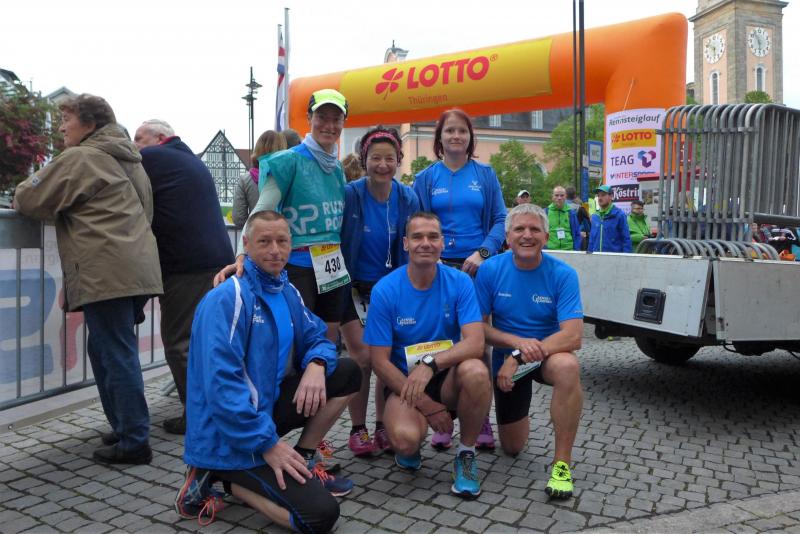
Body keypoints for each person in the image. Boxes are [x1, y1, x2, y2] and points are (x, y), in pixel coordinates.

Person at [177, 210, 361, 533]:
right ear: (246, 245)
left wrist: (317, 364)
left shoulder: (285, 290)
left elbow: (318, 337)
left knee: (347, 372)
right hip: (227, 435)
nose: (275, 250)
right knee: (319, 516)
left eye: (282, 241)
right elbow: (223, 386)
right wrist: (268, 445)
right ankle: (220, 476)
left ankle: (303, 457)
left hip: (261, 413)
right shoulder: (228, 298)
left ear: (291, 245)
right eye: (264, 242)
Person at [14, 94, 162, 464]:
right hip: (136, 265)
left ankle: (134, 441)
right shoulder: (131, 160)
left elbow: (28, 198)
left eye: (67, 119)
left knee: (115, 351)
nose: (61, 127)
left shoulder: (82, 157)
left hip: (107, 267)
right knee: (108, 348)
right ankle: (126, 425)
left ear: (91, 124)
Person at [363, 212, 492, 498]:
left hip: (448, 377)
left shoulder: (460, 282)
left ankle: (466, 454)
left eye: (433, 237)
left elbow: (475, 343)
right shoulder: (385, 290)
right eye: (418, 237)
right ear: (405, 243)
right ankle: (412, 443)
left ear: (442, 243)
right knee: (405, 442)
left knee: (476, 370)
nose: (426, 243)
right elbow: (379, 362)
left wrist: (431, 364)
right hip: (406, 383)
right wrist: (427, 405)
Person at [214, 89, 350, 345]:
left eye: (336, 119)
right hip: (298, 265)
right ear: (309, 118)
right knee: (298, 340)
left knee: (329, 337)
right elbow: (261, 210)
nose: (329, 125)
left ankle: (325, 372)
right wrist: (242, 254)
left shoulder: (337, 167)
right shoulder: (288, 161)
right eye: (322, 117)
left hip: (332, 263)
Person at [475, 203, 584, 499]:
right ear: (507, 237)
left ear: (546, 237)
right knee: (512, 447)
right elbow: (479, 329)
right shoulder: (490, 270)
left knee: (568, 367)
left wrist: (521, 355)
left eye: (535, 229)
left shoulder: (563, 274)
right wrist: (516, 345)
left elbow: (573, 336)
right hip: (507, 359)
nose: (527, 235)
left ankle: (562, 465)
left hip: (547, 356)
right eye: (519, 229)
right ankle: (520, 414)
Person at [134, 119, 235, 435]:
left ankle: (199, 417)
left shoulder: (154, 157)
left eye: (139, 138)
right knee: (205, 341)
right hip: (214, 260)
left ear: (160, 137)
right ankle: (213, 409)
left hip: (186, 265)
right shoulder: (188, 159)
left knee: (180, 343)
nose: (135, 146)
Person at [413, 108, 506, 450]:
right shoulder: (426, 178)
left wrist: (483, 252)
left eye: (462, 131)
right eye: (449, 131)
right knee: (441, 341)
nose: (456, 136)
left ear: (470, 138)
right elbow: (418, 222)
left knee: (477, 342)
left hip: (477, 269)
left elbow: (500, 219)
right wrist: (430, 257)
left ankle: (480, 418)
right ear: (439, 137)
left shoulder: (485, 174)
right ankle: (444, 417)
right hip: (438, 267)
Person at [339, 127, 420, 456]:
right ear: (364, 160)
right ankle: (357, 428)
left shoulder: (407, 198)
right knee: (362, 359)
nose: (383, 165)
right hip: (353, 287)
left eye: (389, 158)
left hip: (391, 291)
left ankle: (383, 425)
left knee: (386, 360)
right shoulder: (351, 194)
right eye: (376, 158)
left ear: (398, 160)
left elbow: (415, 240)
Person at [232, 130, 287, 228]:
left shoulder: (245, 180)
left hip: (257, 234)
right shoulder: (289, 177)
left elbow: (238, 218)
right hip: (285, 234)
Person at [587, 185, 632, 253]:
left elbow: (626, 239)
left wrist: (626, 257)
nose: (600, 198)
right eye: (598, 196)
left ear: (611, 196)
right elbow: (592, 239)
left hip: (614, 257)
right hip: (596, 257)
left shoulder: (619, 215)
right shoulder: (595, 216)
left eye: (603, 195)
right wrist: (589, 254)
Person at [545, 186, 582, 250]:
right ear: (552, 197)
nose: (559, 198)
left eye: (562, 195)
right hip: (550, 250)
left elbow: (577, 234)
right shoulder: (546, 212)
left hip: (569, 250)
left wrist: (576, 250)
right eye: (556, 195)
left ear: (565, 197)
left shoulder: (571, 213)